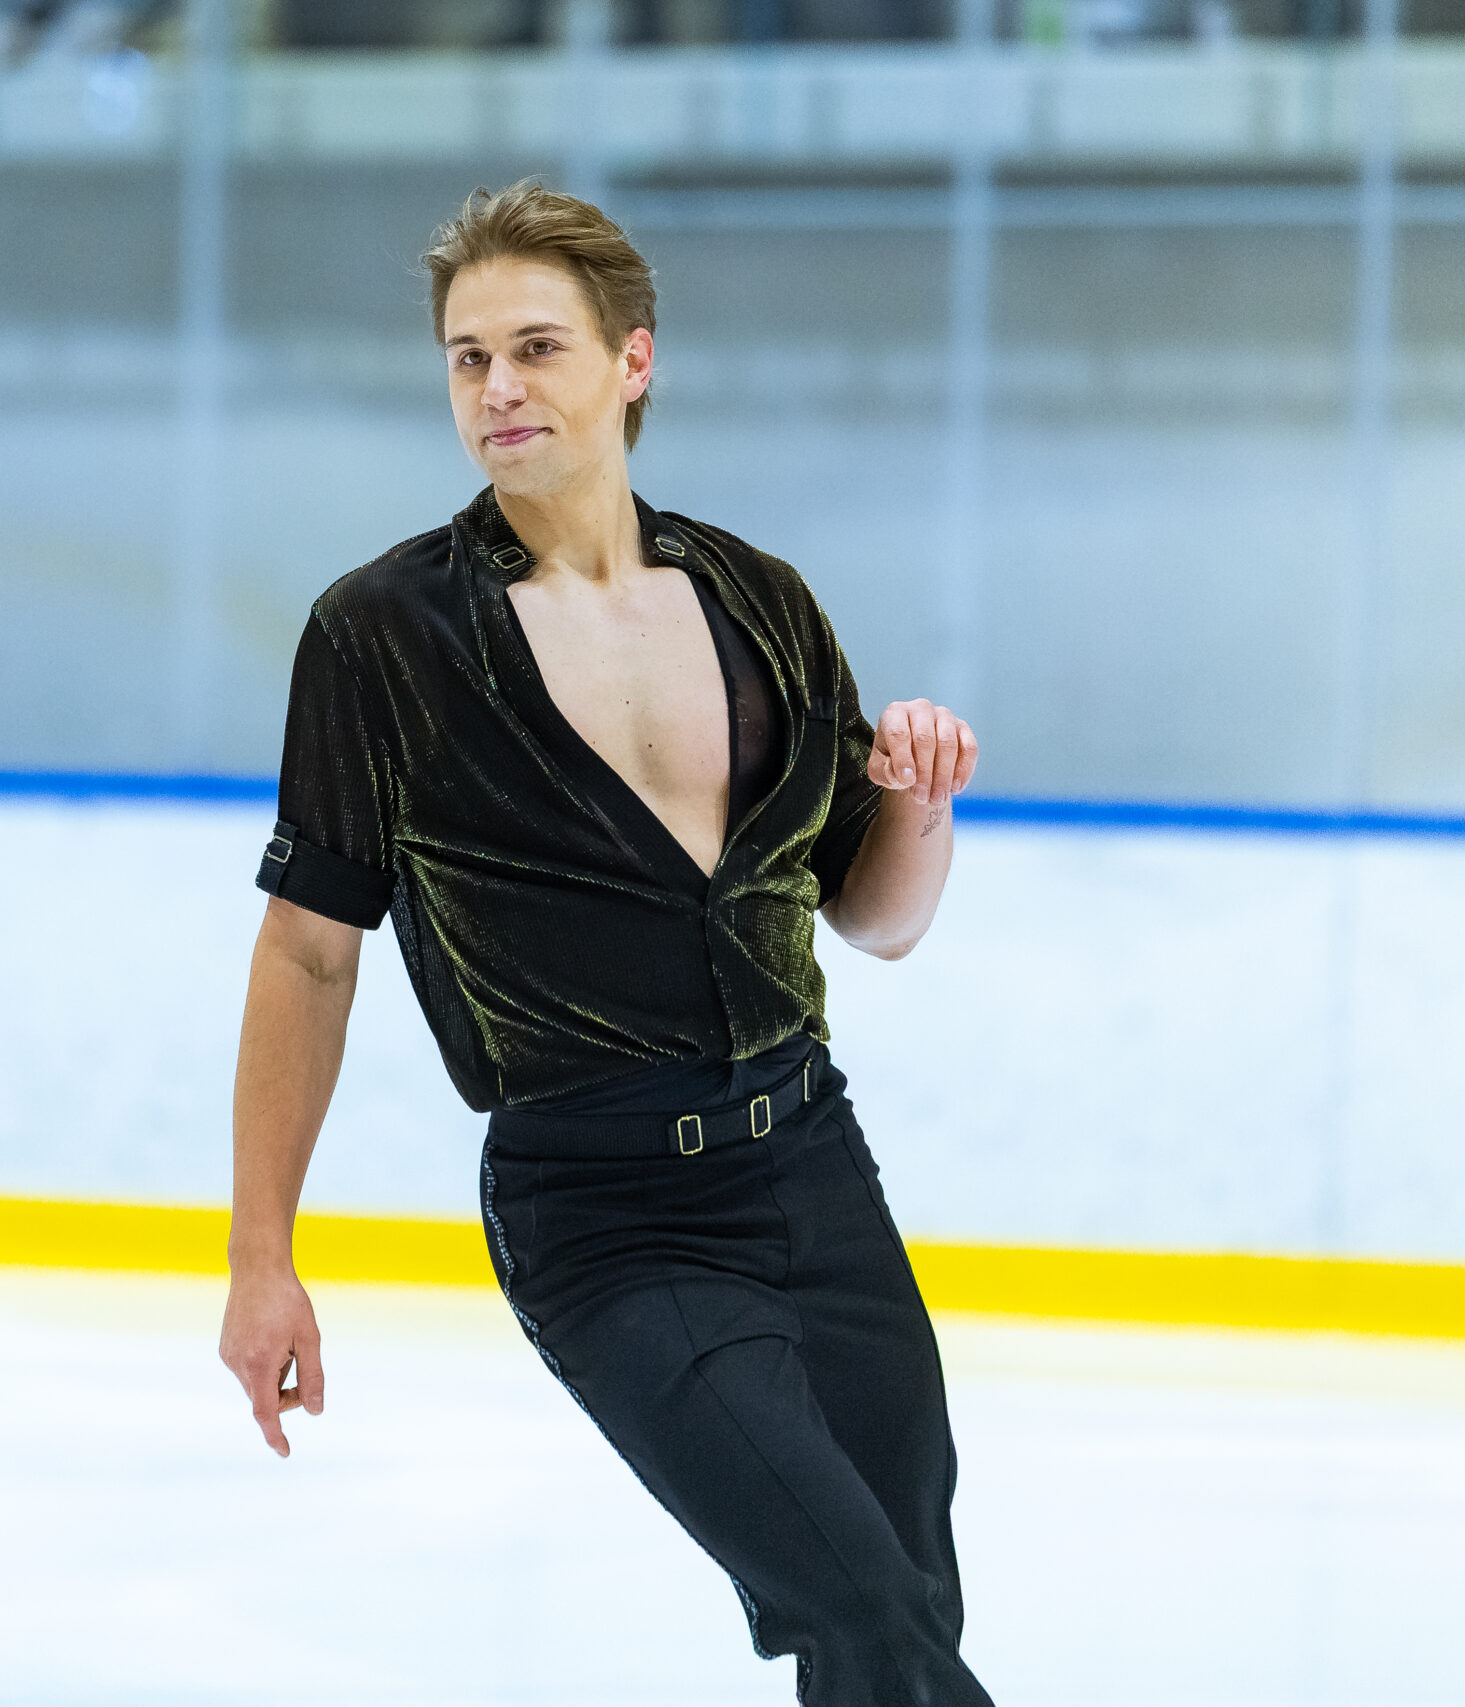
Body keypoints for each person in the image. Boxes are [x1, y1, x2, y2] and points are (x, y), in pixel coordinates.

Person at [217, 180, 992, 1707]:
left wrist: (923, 802)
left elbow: (876, 920)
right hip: (606, 1213)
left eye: (535, 348)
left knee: (908, 1599)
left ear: (633, 361)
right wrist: (262, 1258)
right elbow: (309, 952)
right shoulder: (384, 638)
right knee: (861, 1611)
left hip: (812, 1163)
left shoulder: (763, 604)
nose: (497, 388)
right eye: (467, 358)